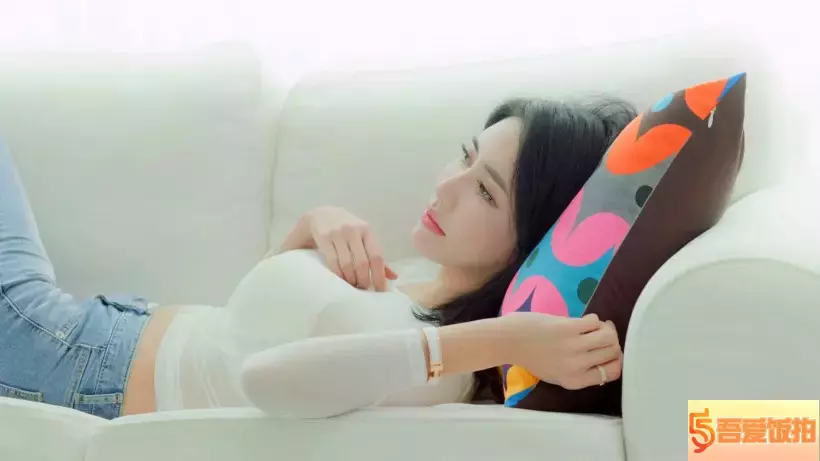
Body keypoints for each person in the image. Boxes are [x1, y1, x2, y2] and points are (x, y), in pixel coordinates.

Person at [0, 97, 637, 420]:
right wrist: (307, 230)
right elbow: (239, 339)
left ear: (535, 243)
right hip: (93, 335)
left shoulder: (449, 371)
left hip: (72, 367)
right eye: (466, 157)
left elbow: (269, 380)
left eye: (485, 192)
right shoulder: (421, 290)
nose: (447, 186)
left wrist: (506, 337)